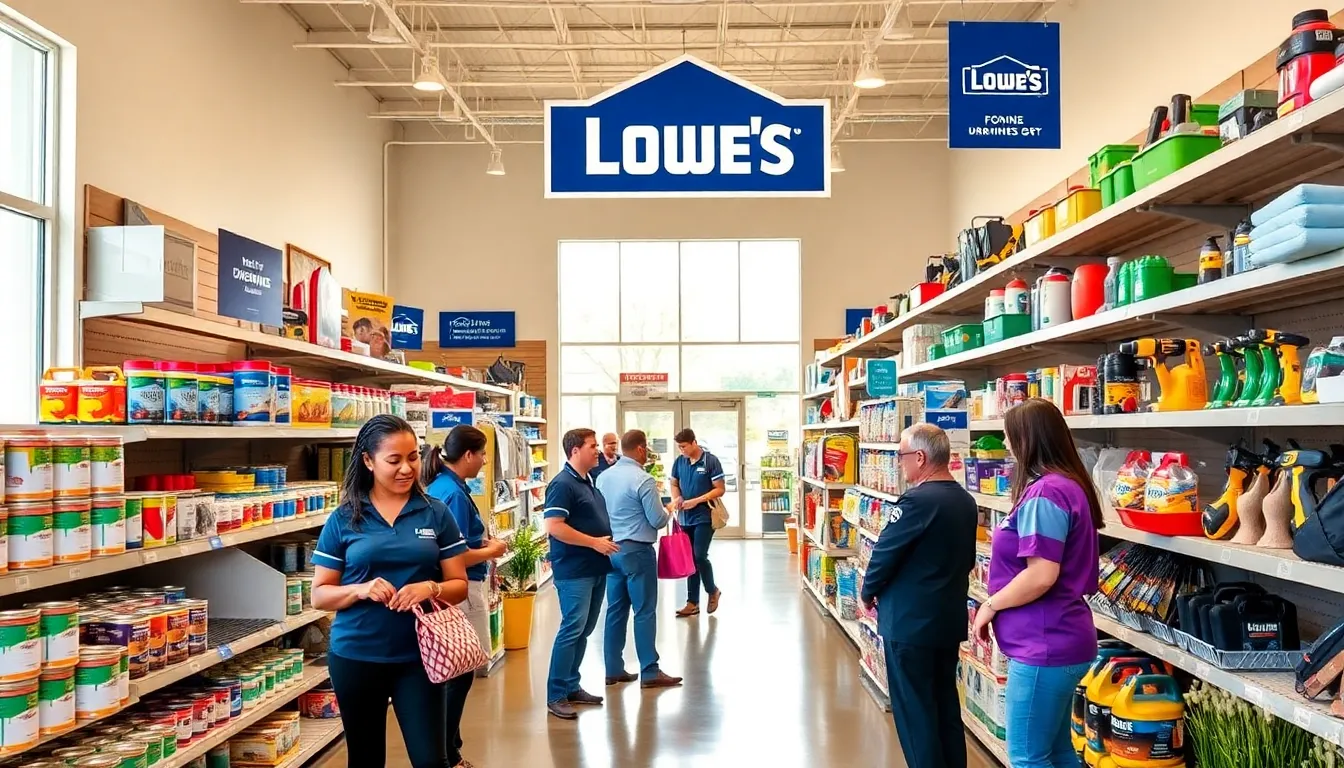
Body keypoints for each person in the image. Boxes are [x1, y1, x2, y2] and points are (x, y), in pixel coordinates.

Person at [311, 414, 471, 768]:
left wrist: (430, 587)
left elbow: (459, 585)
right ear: (368, 461)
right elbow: (319, 595)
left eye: (413, 457)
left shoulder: (435, 512)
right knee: (366, 760)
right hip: (357, 655)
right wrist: (360, 590)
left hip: (421, 657)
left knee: (431, 760)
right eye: (394, 460)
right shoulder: (345, 518)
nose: (406, 468)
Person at [973, 398, 1101, 768]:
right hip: (1061, 637)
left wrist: (991, 604)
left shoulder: (1046, 494)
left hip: (1044, 645)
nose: (1006, 444)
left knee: (1028, 758)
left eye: (1009, 435)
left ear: (1027, 439)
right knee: (1057, 752)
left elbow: (1041, 574)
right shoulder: (1069, 486)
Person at [861, 423, 977, 768]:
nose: (899, 464)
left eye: (901, 456)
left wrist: (868, 592)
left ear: (921, 457)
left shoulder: (916, 501)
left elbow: (885, 552)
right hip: (946, 619)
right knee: (944, 705)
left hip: (910, 624)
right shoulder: (964, 499)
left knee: (915, 712)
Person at [423, 425, 509, 768]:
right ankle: (448, 751)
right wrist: (494, 550)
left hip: (452, 587)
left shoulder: (445, 486)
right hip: (461, 589)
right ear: (469, 455)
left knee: (456, 671)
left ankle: (449, 743)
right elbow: (453, 554)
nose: (485, 461)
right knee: (461, 671)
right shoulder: (454, 494)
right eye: (483, 454)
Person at [596, 429, 683, 689]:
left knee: (615, 610)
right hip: (637, 552)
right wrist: (669, 507)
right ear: (642, 449)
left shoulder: (603, 478)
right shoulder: (642, 479)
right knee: (644, 611)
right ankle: (649, 670)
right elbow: (657, 519)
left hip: (610, 550)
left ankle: (613, 668)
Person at [544, 428, 620, 720]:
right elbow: (554, 526)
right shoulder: (563, 484)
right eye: (591, 446)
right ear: (575, 450)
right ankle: (556, 694)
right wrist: (594, 542)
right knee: (572, 628)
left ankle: (572, 685)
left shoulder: (588, 481)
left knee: (585, 630)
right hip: (575, 569)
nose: (597, 450)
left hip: (595, 566)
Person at [669, 428, 725, 617]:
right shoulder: (679, 462)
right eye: (679, 447)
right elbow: (674, 483)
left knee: (699, 555)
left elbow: (719, 489)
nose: (681, 450)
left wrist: (696, 501)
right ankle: (692, 602)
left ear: (694, 442)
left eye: (684, 446)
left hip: (704, 516)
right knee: (689, 560)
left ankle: (712, 590)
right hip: (685, 518)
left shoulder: (710, 461)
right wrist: (677, 498)